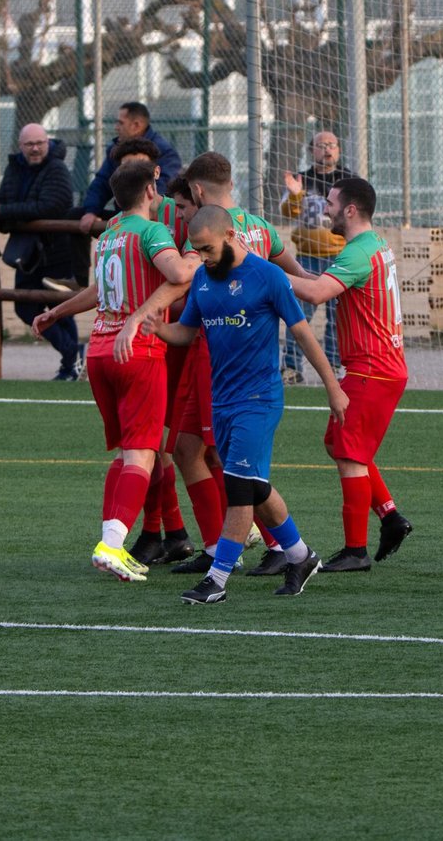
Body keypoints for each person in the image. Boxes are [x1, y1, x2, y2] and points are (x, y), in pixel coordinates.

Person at [116, 150, 310, 577]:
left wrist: (142, 313)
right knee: (190, 449)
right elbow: (298, 278)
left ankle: (261, 550)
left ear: (199, 193)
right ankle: (223, 546)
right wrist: (329, 285)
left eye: (183, 206)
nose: (181, 216)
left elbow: (184, 276)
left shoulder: (208, 233)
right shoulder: (260, 227)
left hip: (220, 358)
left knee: (226, 460)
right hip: (219, 354)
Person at [141, 205, 347, 604]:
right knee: (254, 486)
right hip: (222, 402)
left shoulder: (268, 276)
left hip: (259, 400)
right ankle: (301, 556)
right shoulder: (203, 279)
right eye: (197, 250)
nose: (203, 257)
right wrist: (160, 328)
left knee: (238, 489)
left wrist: (332, 387)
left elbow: (303, 336)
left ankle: (216, 580)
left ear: (230, 236)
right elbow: (187, 331)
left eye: (207, 249)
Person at [35, 163, 197, 581]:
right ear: (150, 191)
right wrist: (196, 253)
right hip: (137, 351)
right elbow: (179, 274)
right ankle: (111, 545)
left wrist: (57, 311)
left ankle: (114, 543)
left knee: (127, 454)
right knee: (143, 454)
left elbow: (98, 291)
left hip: (100, 353)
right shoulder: (151, 231)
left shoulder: (109, 235)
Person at [287, 177, 414, 571]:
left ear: (351, 210)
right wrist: (286, 268)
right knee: (336, 443)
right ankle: (390, 516)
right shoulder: (371, 245)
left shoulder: (358, 252)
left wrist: (262, 272)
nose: (325, 210)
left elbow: (316, 294)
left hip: (372, 370)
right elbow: (323, 283)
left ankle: (355, 551)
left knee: (350, 456)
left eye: (330, 203)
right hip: (375, 367)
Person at [0, 124, 80, 381]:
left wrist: (4, 212)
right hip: (28, 254)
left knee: (60, 309)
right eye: (29, 144)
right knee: (24, 307)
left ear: (48, 143)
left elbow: (51, 206)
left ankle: (70, 365)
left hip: (56, 251)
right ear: (20, 146)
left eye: (39, 143)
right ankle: (73, 353)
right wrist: (3, 212)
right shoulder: (15, 168)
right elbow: (5, 200)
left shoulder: (57, 169)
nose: (35, 149)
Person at [280, 130, 357, 384]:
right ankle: (291, 367)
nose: (327, 149)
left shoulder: (348, 181)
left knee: (338, 317)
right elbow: (287, 212)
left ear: (339, 150)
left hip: (340, 258)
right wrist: (295, 194)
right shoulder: (301, 180)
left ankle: (335, 365)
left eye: (332, 145)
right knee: (298, 314)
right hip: (307, 259)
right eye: (321, 145)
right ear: (311, 150)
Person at [76, 101, 183, 235]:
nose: (116, 127)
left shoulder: (165, 152)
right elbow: (102, 183)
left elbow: (165, 186)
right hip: (124, 211)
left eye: (121, 123)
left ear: (136, 125)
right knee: (76, 215)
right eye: (125, 165)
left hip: (152, 211)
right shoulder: (115, 150)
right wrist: (91, 211)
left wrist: (143, 201)